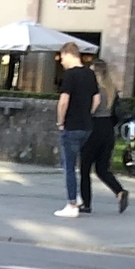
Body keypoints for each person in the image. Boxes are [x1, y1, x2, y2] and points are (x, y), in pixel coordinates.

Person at [77, 46, 128, 215]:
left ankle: (86, 203)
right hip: (108, 130)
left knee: (85, 168)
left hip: (94, 128)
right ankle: (119, 191)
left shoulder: (95, 90)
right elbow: (116, 113)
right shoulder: (112, 90)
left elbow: (92, 108)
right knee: (102, 168)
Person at [55, 41, 99, 216]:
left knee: (69, 167)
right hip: (86, 126)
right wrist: (87, 113)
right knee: (69, 162)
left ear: (68, 54)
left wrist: (60, 121)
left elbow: (63, 101)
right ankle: (78, 197)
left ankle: (72, 204)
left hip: (71, 126)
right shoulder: (90, 74)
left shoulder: (70, 76)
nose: (61, 61)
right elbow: (96, 100)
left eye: (62, 57)